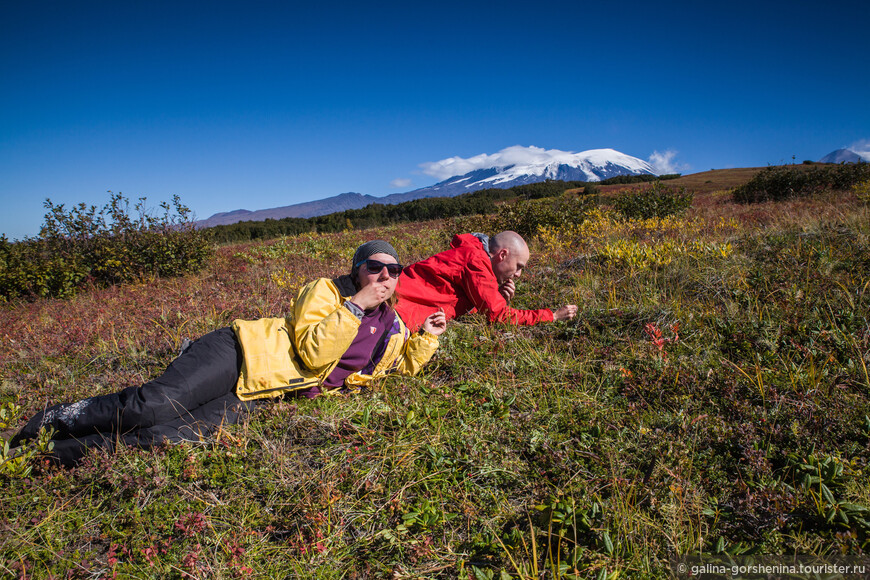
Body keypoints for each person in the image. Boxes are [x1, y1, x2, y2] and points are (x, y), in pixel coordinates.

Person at [10, 240, 446, 466]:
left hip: (261, 392)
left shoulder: (391, 326)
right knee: (153, 406)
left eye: (394, 270)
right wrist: (355, 306)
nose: (385, 276)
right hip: (240, 352)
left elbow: (399, 368)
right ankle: (49, 421)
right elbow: (314, 354)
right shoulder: (328, 292)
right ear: (358, 271)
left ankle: (46, 459)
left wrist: (425, 336)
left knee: (166, 438)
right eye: (375, 267)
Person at [395, 231, 578, 332]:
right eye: (518, 266)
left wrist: (496, 295)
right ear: (503, 255)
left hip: (395, 305)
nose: (518, 274)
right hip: (395, 311)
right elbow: (498, 316)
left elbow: (458, 300)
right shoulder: (476, 261)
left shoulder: (471, 255)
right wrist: (551, 316)